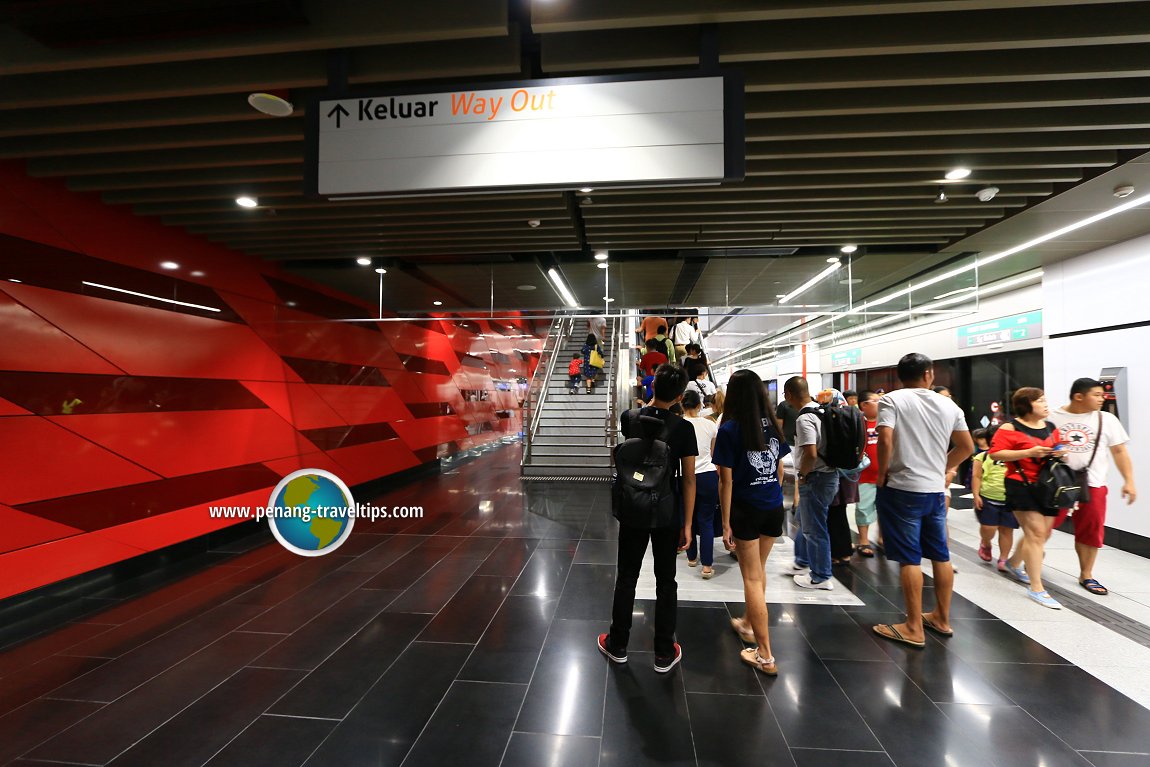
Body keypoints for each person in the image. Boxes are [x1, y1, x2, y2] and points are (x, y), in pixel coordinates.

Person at [600, 365, 697, 673]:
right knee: (666, 581)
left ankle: (617, 644)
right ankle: (664, 652)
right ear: (681, 397)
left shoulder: (629, 418)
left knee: (627, 576)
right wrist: (688, 523)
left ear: (652, 386)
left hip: (633, 509)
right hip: (667, 512)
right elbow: (690, 479)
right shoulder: (684, 429)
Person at [872, 353, 973, 648]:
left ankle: (913, 626)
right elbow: (966, 447)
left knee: (909, 558)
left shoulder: (891, 400)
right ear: (929, 374)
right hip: (934, 490)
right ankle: (941, 617)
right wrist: (941, 467)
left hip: (902, 488)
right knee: (941, 555)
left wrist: (883, 474)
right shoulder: (948, 404)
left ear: (899, 376)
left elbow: (886, 440)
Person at [714, 369, 790, 675]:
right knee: (758, 572)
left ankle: (765, 654)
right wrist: (773, 494)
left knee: (752, 578)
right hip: (772, 507)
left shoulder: (730, 429)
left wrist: (725, 522)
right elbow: (780, 469)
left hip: (746, 509)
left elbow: (726, 481)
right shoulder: (771, 426)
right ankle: (747, 622)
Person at [1049, 378, 1137, 596]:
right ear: (1079, 396)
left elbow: (1119, 451)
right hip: (1057, 483)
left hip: (1094, 483)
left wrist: (1129, 480)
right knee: (1041, 527)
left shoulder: (1107, 419)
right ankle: (1026, 563)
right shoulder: (1051, 417)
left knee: (1091, 530)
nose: (1102, 398)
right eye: (1097, 395)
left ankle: (1086, 574)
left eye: (1102, 395)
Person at [990, 387, 1067, 610]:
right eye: (1040, 401)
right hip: (1020, 484)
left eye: (1045, 400)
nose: (1045, 404)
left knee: (1042, 534)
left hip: (1047, 486)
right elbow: (995, 454)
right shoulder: (1010, 427)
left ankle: (1014, 563)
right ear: (1026, 405)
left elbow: (1057, 447)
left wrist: (1060, 451)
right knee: (1036, 534)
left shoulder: (1051, 427)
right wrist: (1028, 452)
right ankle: (1037, 588)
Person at [786, 376, 839, 590]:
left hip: (816, 478)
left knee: (815, 528)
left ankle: (821, 576)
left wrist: (802, 475)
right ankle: (802, 560)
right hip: (828, 475)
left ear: (789, 395)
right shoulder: (822, 410)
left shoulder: (804, 418)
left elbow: (810, 452)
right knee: (805, 520)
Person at [682, 389, 720, 578]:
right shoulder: (710, 425)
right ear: (699, 406)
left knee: (687, 517)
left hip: (684, 476)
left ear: (682, 405)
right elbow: (713, 454)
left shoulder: (679, 425)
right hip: (707, 475)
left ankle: (691, 557)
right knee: (706, 520)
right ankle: (707, 566)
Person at [971, 426, 1015, 571]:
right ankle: (986, 542)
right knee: (988, 527)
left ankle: (1003, 558)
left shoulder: (1015, 455)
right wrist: (976, 494)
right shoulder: (983, 457)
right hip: (988, 497)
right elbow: (976, 476)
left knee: (1006, 530)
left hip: (1010, 498)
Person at [854, 390, 880, 557]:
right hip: (864, 475)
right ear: (864, 405)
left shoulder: (885, 422)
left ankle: (882, 537)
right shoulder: (857, 423)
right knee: (864, 508)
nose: (880, 403)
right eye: (876, 401)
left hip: (886, 475)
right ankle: (863, 540)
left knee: (885, 508)